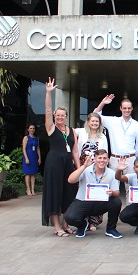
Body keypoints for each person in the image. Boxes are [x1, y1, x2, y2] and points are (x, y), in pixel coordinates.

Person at [41, 77, 80, 237]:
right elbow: (48, 110)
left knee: (69, 193)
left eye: (62, 115)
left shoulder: (72, 131)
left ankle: (66, 224)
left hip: (68, 164)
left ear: (66, 116)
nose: (59, 117)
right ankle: (57, 226)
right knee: (55, 193)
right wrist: (49, 93)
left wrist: (79, 169)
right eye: (57, 115)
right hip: (54, 163)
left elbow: (75, 151)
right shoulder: (51, 128)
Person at [65, 149, 123, 239]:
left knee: (116, 202)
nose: (102, 160)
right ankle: (82, 225)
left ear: (107, 160)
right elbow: (70, 180)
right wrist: (83, 166)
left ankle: (111, 229)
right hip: (84, 201)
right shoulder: (86, 170)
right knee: (69, 217)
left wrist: (112, 193)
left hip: (101, 203)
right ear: (95, 159)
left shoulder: (111, 173)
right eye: (99, 158)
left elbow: (117, 192)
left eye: (104, 158)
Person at [94, 94, 138, 192]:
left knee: (131, 188)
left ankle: (131, 207)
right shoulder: (113, 121)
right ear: (120, 108)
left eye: (129, 108)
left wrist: (135, 159)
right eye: (124, 108)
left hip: (130, 159)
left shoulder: (137, 125)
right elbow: (96, 115)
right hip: (115, 159)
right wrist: (103, 103)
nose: (126, 110)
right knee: (112, 188)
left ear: (132, 108)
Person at [75, 112, 109, 231]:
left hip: (97, 167)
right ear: (88, 122)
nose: (94, 123)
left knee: (96, 193)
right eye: (92, 121)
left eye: (97, 121)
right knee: (84, 193)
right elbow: (67, 132)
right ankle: (83, 219)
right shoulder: (81, 132)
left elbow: (105, 153)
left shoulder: (102, 136)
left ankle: (94, 222)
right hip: (83, 166)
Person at [22, 124, 41, 196]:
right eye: (30, 128)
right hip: (28, 155)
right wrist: (26, 158)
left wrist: (39, 157)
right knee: (28, 173)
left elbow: (38, 148)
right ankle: (28, 189)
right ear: (28, 129)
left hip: (34, 156)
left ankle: (33, 189)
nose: (32, 130)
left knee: (33, 173)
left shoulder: (36, 138)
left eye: (33, 128)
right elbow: (24, 148)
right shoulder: (26, 138)